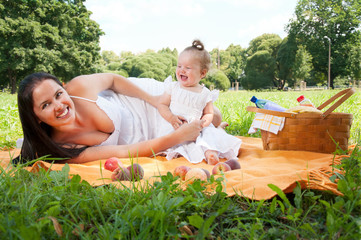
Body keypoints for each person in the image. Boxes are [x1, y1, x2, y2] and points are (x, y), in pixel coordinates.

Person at [16, 72, 216, 164]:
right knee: (202, 125)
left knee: (213, 116)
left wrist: (154, 101)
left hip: (140, 99)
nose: (59, 106)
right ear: (37, 118)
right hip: (145, 137)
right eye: (46, 105)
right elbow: (124, 151)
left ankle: (215, 126)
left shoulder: (78, 88)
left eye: (59, 94)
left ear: (64, 88)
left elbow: (113, 79)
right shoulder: (64, 149)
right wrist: (178, 137)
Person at [157, 40, 242, 165]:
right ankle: (174, 150)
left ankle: (210, 153)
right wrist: (171, 118)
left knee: (208, 136)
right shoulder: (173, 87)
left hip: (197, 129)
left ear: (202, 73)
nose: (182, 70)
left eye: (187, 68)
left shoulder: (205, 93)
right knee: (170, 142)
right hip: (175, 127)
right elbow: (162, 104)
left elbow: (209, 112)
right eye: (179, 66)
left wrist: (205, 122)